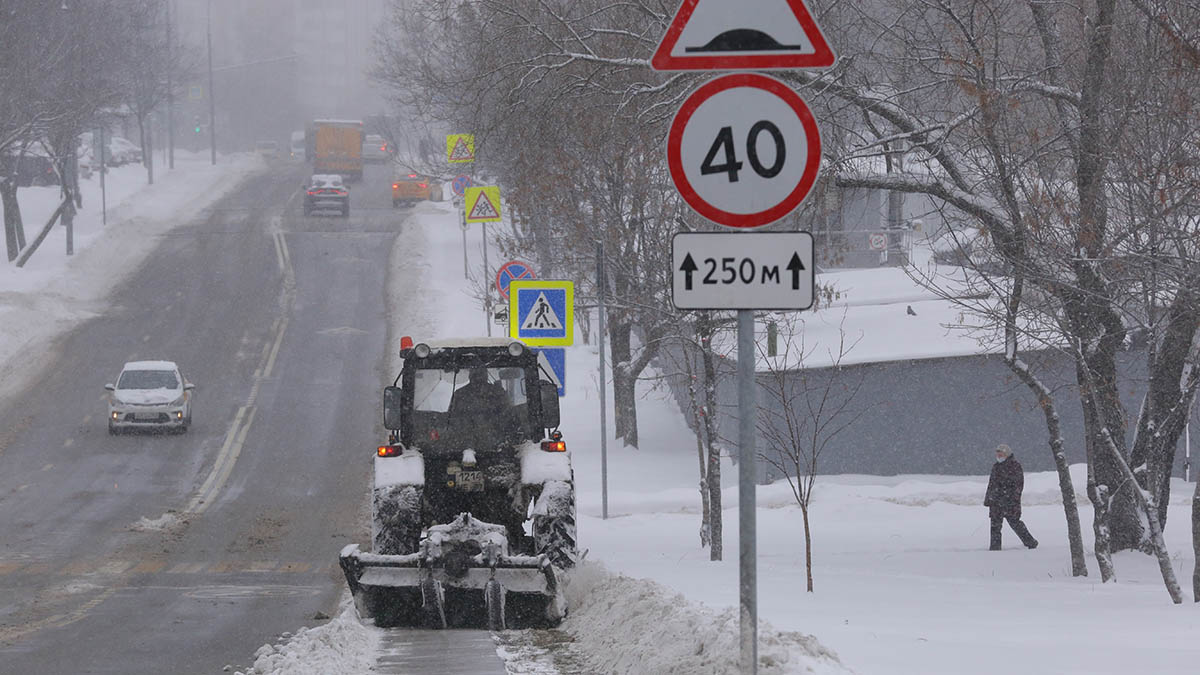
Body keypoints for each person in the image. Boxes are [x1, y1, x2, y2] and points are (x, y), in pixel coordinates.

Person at [984, 444, 1038, 550]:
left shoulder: (1015, 466)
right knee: (995, 526)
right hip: (995, 502)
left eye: (1001, 454)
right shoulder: (996, 466)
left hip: (1010, 502)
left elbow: (1018, 485)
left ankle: (1031, 542)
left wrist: (1010, 498)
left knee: (1015, 523)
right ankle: (995, 547)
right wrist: (989, 499)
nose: (999, 456)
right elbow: (991, 484)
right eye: (998, 454)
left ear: (1007, 454)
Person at [448, 368, 518, 443]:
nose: (478, 379)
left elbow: (451, 419)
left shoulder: (460, 394)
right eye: (476, 375)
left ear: (470, 376)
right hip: (488, 440)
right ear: (486, 376)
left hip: (473, 441)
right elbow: (451, 419)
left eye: (479, 375)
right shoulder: (497, 392)